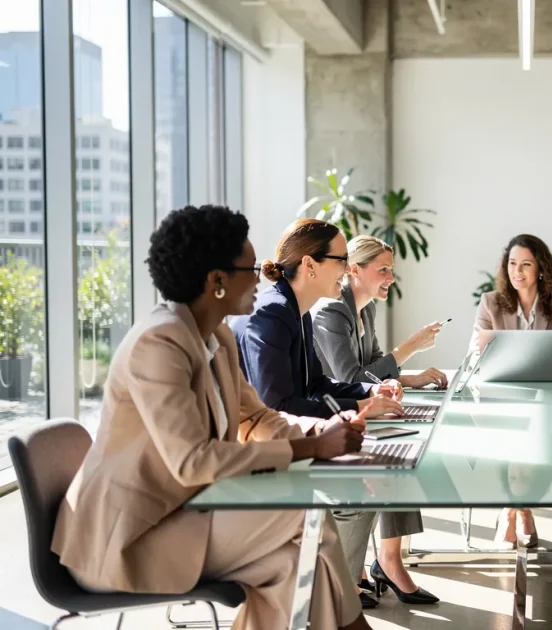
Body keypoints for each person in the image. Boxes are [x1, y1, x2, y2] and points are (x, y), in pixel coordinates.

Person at [51, 205, 374, 630]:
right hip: (124, 538)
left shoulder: (216, 335)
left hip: (180, 514)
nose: (262, 276)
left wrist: (324, 430)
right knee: (306, 519)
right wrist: (312, 446)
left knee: (293, 562)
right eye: (250, 267)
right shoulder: (159, 343)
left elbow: (256, 418)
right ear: (217, 281)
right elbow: (193, 462)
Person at [231, 219, 438, 607]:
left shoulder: (297, 312)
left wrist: (370, 391)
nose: (347, 269)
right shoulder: (272, 316)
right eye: (341, 260)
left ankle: (341, 590)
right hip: (261, 454)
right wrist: (361, 407)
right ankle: (335, 593)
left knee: (386, 464)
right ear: (310, 265)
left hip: (289, 438)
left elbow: (319, 386)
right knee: (367, 480)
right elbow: (279, 407)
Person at [471, 234, 552, 547]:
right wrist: (536, 354)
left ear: (541, 268)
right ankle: (516, 508)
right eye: (513, 264)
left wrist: (504, 349)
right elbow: (477, 353)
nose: (518, 271)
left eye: (526, 264)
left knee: (542, 440)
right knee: (505, 438)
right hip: (500, 398)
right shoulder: (491, 301)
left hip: (548, 398)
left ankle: (518, 506)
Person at [312, 235, 448, 390]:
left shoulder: (367, 308)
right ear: (355, 270)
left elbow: (372, 368)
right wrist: (412, 345)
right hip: (329, 409)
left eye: (391, 270)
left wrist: (412, 380)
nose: (391, 278)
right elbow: (352, 381)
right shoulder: (331, 311)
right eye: (383, 270)